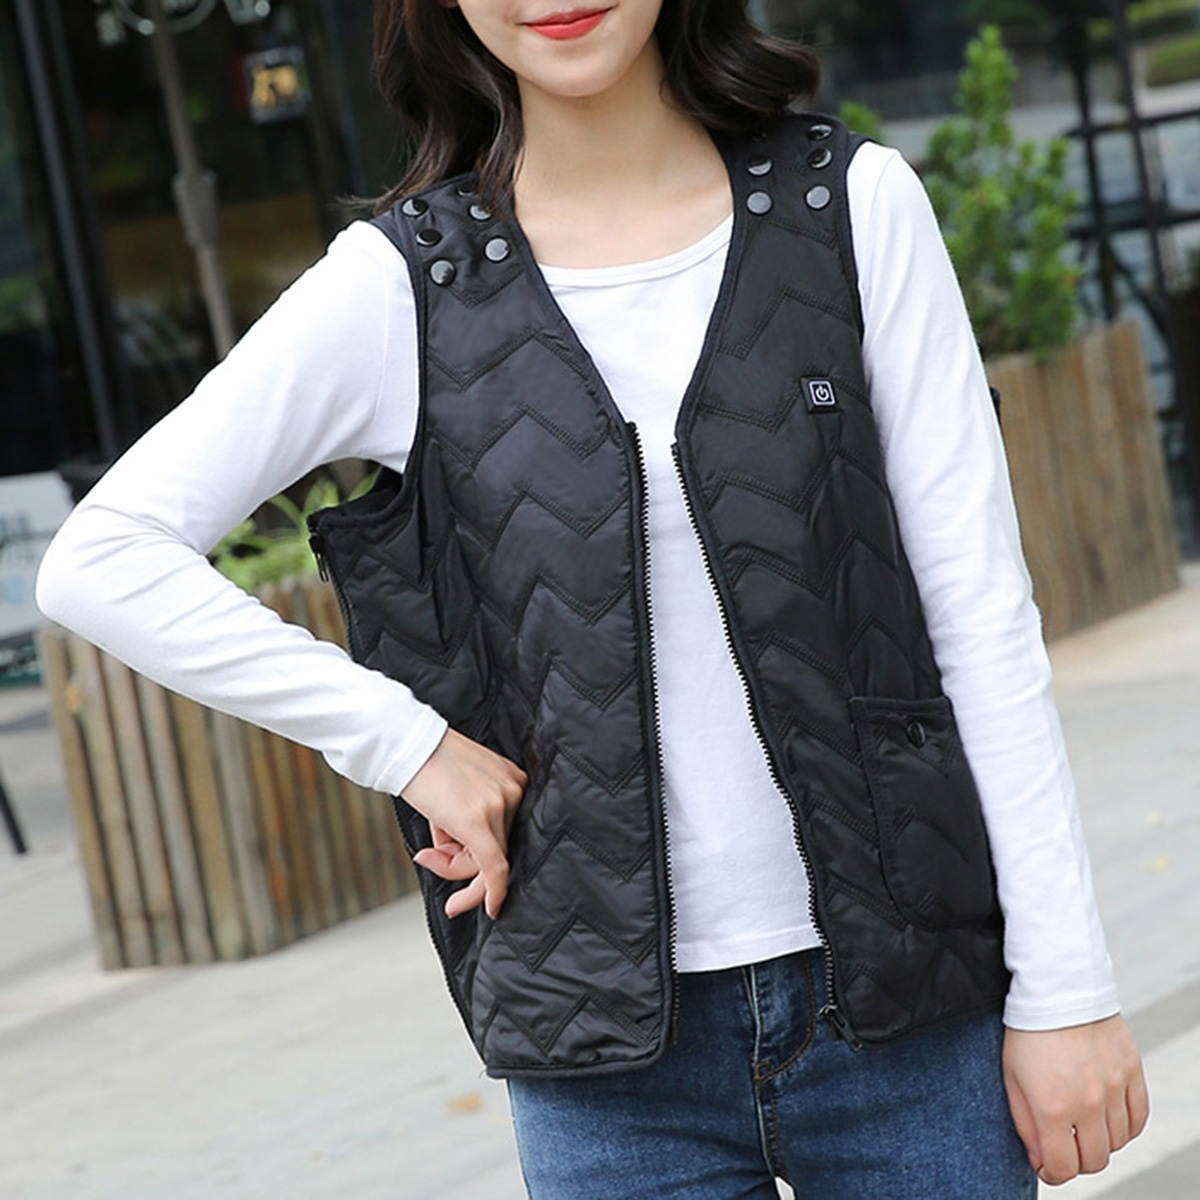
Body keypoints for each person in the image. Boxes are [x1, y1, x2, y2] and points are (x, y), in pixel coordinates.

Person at [35, 1, 1149, 1196]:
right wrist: (408, 746)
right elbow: (104, 556)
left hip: (913, 1009)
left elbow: (980, 624)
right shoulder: (402, 286)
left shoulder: (851, 209)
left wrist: (1068, 990)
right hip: (611, 1071)